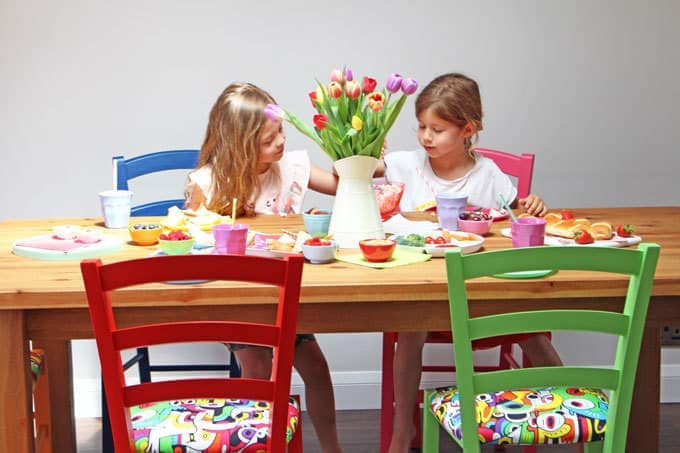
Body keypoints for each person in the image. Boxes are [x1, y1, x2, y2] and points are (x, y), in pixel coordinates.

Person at [379, 73, 563, 453]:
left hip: (480, 293)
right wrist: (366, 153)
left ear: (468, 129)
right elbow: (360, 176)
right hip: (425, 291)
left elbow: (516, 217)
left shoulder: (489, 176)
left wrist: (531, 206)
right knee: (409, 330)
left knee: (530, 321)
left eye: (437, 129)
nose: (426, 137)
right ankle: (402, 429)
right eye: (421, 127)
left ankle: (566, 405)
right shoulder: (402, 165)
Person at [185, 82, 343, 453]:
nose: (280, 143)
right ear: (238, 144)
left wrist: (361, 158)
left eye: (280, 132)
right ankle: (259, 445)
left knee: (316, 368)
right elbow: (190, 240)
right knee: (257, 365)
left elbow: (342, 185)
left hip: (283, 298)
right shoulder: (209, 183)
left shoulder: (291, 166)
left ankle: (333, 448)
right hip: (236, 298)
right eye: (268, 139)